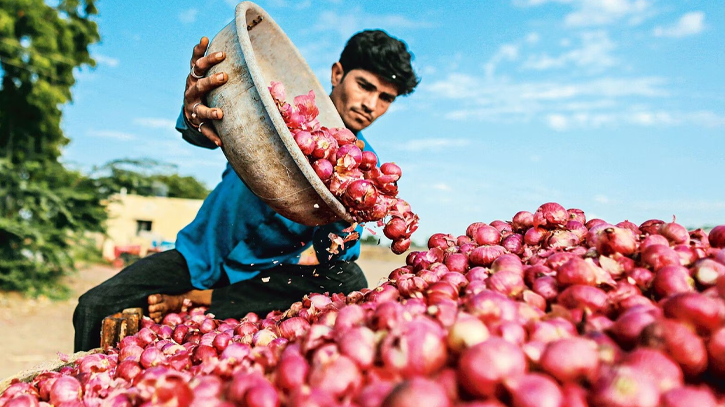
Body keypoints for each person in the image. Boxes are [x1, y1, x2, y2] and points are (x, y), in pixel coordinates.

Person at [73, 29, 419, 352]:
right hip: (199, 258)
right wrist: (195, 110)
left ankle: (203, 299)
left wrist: (344, 215)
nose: (371, 104)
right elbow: (206, 128)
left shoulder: (364, 170)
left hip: (261, 277)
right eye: (364, 86)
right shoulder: (278, 113)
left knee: (350, 278)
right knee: (94, 306)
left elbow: (336, 259)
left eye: (385, 98)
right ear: (337, 73)